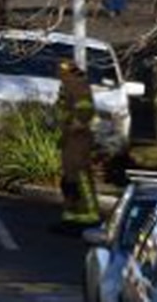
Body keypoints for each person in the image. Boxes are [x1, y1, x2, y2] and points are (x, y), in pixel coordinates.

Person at [56, 59, 101, 228]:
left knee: (80, 177)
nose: (59, 75)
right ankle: (71, 215)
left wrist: (77, 123)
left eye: (61, 72)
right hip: (69, 138)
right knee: (69, 179)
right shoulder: (68, 86)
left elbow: (85, 109)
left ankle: (89, 215)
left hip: (78, 139)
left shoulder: (78, 86)